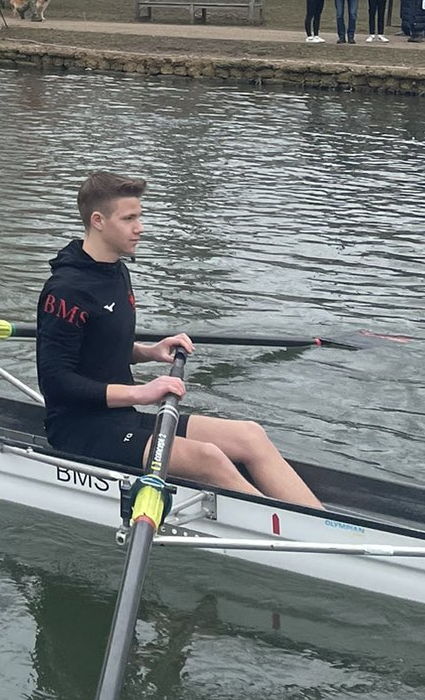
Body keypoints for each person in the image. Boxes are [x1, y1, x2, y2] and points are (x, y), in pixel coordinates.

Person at [35, 170, 320, 507]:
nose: (140, 227)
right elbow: (56, 382)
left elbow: (98, 348)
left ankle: (327, 524)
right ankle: (296, 536)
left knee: (250, 435)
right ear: (98, 220)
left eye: (139, 216)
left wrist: (148, 352)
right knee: (208, 458)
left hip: (120, 417)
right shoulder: (65, 291)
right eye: (129, 218)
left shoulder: (115, 269)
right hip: (80, 430)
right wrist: (141, 392)